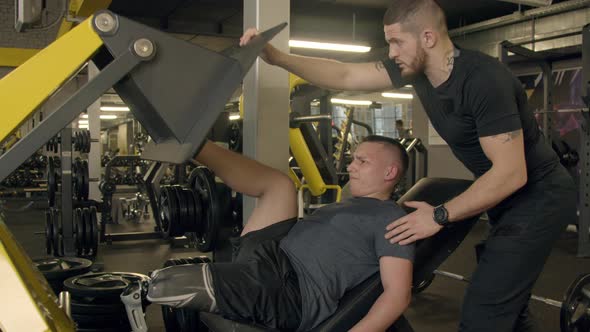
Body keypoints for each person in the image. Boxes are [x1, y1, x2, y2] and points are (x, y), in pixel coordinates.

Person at [239, 0, 577, 331]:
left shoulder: (482, 80)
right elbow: (343, 73)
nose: (391, 52)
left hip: (539, 196)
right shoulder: (415, 72)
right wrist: (276, 57)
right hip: (504, 197)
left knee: (485, 311)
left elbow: (511, 173)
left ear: (428, 38)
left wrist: (439, 215)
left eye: (397, 42)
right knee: (508, 305)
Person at [147, 135, 414, 331]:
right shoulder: (351, 202)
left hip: (289, 288)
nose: (351, 166)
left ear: (389, 172)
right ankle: (190, 141)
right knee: (280, 185)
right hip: (271, 255)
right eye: (354, 159)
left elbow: (397, 295)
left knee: (166, 283)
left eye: (362, 161)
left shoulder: (390, 217)